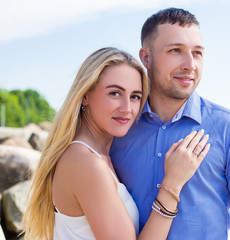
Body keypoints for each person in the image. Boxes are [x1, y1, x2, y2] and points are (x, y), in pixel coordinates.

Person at [110, 8, 230, 240]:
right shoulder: (120, 128)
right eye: (176, 51)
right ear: (146, 57)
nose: (190, 64)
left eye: (197, 53)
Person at [22, 47, 210, 240]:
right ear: (85, 95)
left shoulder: (98, 156)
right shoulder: (86, 163)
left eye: (135, 96)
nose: (127, 108)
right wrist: (173, 183)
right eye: (114, 93)